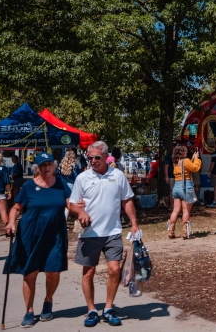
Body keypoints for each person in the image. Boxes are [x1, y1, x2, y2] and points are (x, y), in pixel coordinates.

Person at [68, 141, 139, 328]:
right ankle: (91, 310)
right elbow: (72, 203)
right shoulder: (82, 178)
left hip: (112, 232)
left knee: (115, 269)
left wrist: (134, 224)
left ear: (106, 156)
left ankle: (108, 308)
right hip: (89, 233)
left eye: (96, 157)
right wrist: (80, 212)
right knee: (89, 272)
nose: (92, 161)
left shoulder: (118, 176)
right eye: (89, 157)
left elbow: (127, 201)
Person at [3, 152, 70, 328]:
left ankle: (48, 301)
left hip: (55, 233)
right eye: (42, 165)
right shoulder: (28, 186)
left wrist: (82, 210)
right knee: (30, 273)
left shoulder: (61, 184)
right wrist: (11, 222)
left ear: (54, 166)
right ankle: (29, 311)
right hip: (30, 233)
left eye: (49, 164)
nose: (46, 167)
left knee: (53, 271)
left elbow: (71, 203)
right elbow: (16, 207)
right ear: (37, 168)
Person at [166, 145, 201, 239]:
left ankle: (171, 231)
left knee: (175, 210)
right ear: (182, 152)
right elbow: (195, 168)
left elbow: (187, 168)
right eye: (185, 151)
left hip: (176, 187)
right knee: (186, 211)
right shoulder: (185, 161)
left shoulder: (176, 161)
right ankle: (185, 233)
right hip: (186, 187)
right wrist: (196, 159)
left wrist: (192, 159)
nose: (187, 152)